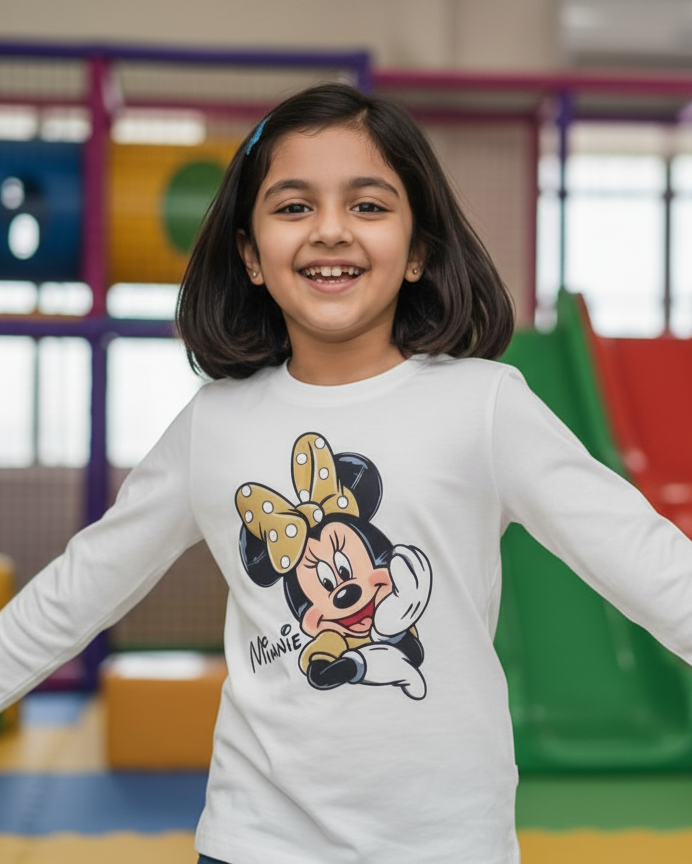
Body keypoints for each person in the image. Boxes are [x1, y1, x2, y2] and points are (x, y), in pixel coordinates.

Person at [1, 83, 692, 864]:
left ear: (420, 248)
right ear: (251, 255)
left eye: (368, 205)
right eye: (294, 207)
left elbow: (647, 562)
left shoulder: (485, 405)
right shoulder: (215, 425)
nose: (331, 231)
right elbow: (79, 587)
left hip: (447, 848)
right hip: (256, 844)